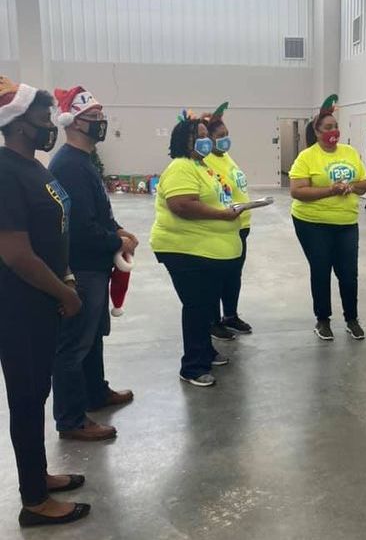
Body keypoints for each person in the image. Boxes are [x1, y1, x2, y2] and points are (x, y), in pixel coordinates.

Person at [0, 76, 90, 527]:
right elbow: (16, 253)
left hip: (43, 299)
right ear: (17, 123)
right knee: (25, 397)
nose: (51, 124)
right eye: (42, 117)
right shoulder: (5, 173)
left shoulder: (33, 167)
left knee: (36, 393)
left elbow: (52, 233)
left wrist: (63, 279)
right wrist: (64, 292)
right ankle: (34, 501)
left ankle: (38, 476)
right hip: (19, 304)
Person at [49, 86, 136, 442]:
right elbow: (81, 229)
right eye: (93, 118)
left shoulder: (83, 161)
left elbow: (98, 213)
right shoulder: (69, 165)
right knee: (74, 345)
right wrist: (117, 241)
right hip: (82, 267)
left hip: (96, 267)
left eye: (101, 116)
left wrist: (118, 229)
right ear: (72, 122)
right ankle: (71, 419)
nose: (101, 123)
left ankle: (95, 392)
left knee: (93, 337)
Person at [150, 110, 243, 387]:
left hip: (206, 250)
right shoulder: (181, 166)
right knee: (196, 306)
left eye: (207, 137)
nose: (206, 142)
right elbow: (182, 205)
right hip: (184, 250)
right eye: (200, 137)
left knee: (205, 304)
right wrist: (222, 215)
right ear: (185, 141)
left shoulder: (202, 166)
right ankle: (192, 366)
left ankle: (206, 351)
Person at [289, 94, 366, 341]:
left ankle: (352, 319)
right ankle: (323, 320)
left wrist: (351, 187)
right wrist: (330, 190)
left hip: (346, 223)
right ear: (316, 132)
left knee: (348, 273)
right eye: (327, 127)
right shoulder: (307, 157)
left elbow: (365, 183)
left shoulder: (349, 152)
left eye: (335, 126)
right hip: (313, 223)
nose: (333, 131)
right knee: (321, 269)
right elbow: (297, 191)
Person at [204, 102, 253, 340]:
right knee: (217, 276)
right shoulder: (205, 161)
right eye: (220, 136)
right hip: (221, 227)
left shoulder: (226, 157)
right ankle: (213, 321)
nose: (225, 140)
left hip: (240, 225)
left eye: (227, 135)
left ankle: (230, 315)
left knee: (234, 275)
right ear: (208, 139)